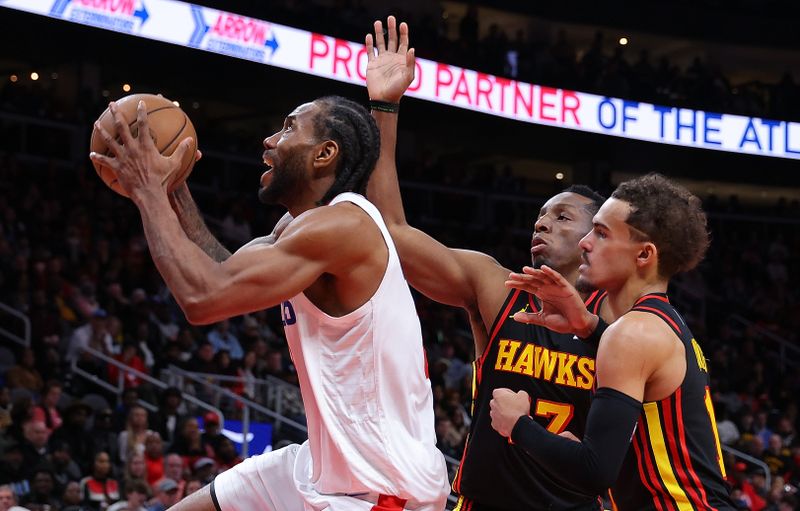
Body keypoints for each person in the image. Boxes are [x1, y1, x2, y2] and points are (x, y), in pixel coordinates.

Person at [89, 74, 449, 510]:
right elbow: (222, 269)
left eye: (288, 128)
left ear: (324, 154)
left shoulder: (344, 227)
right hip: (324, 466)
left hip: (380, 485)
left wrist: (148, 192)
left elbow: (203, 299)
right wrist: (171, 189)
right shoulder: (296, 231)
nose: (269, 140)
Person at [363, 16, 606, 510]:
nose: (542, 224)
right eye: (540, 216)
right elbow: (391, 231)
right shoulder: (497, 285)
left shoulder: (620, 320)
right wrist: (384, 106)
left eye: (562, 217)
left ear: (595, 238)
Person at [491, 173, 735, 509]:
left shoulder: (632, 333)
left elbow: (594, 472)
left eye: (602, 233)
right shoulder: (657, 323)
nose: (585, 242)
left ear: (644, 255)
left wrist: (517, 424)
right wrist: (589, 326)